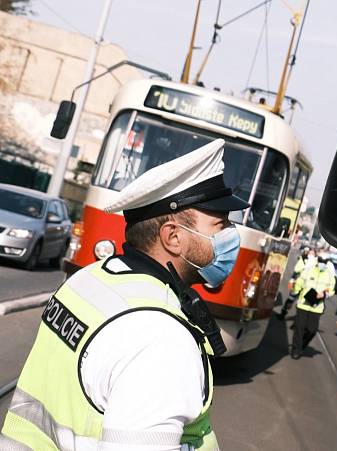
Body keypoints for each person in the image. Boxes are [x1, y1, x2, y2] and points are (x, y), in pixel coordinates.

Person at [0, 139, 249, 450]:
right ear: (173, 237)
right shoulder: (161, 338)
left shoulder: (91, 277)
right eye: (220, 225)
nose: (230, 236)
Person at [290, 254, 336, 359]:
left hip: (317, 307)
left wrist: (324, 294)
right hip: (303, 305)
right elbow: (300, 282)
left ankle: (301, 346)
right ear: (317, 260)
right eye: (320, 261)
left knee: (312, 330)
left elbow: (331, 290)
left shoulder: (330, 276)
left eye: (324, 263)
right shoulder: (308, 271)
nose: (322, 264)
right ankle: (296, 350)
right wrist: (295, 290)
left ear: (327, 263)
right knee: (299, 328)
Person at [275, 248, 316, 320]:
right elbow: (296, 271)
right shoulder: (303, 260)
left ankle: (300, 320)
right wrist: (292, 280)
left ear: (315, 255)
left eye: (312, 253)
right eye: (310, 253)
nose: (311, 255)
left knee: (303, 304)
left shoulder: (316, 264)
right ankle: (283, 314)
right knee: (290, 300)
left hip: (308, 287)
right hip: (298, 285)